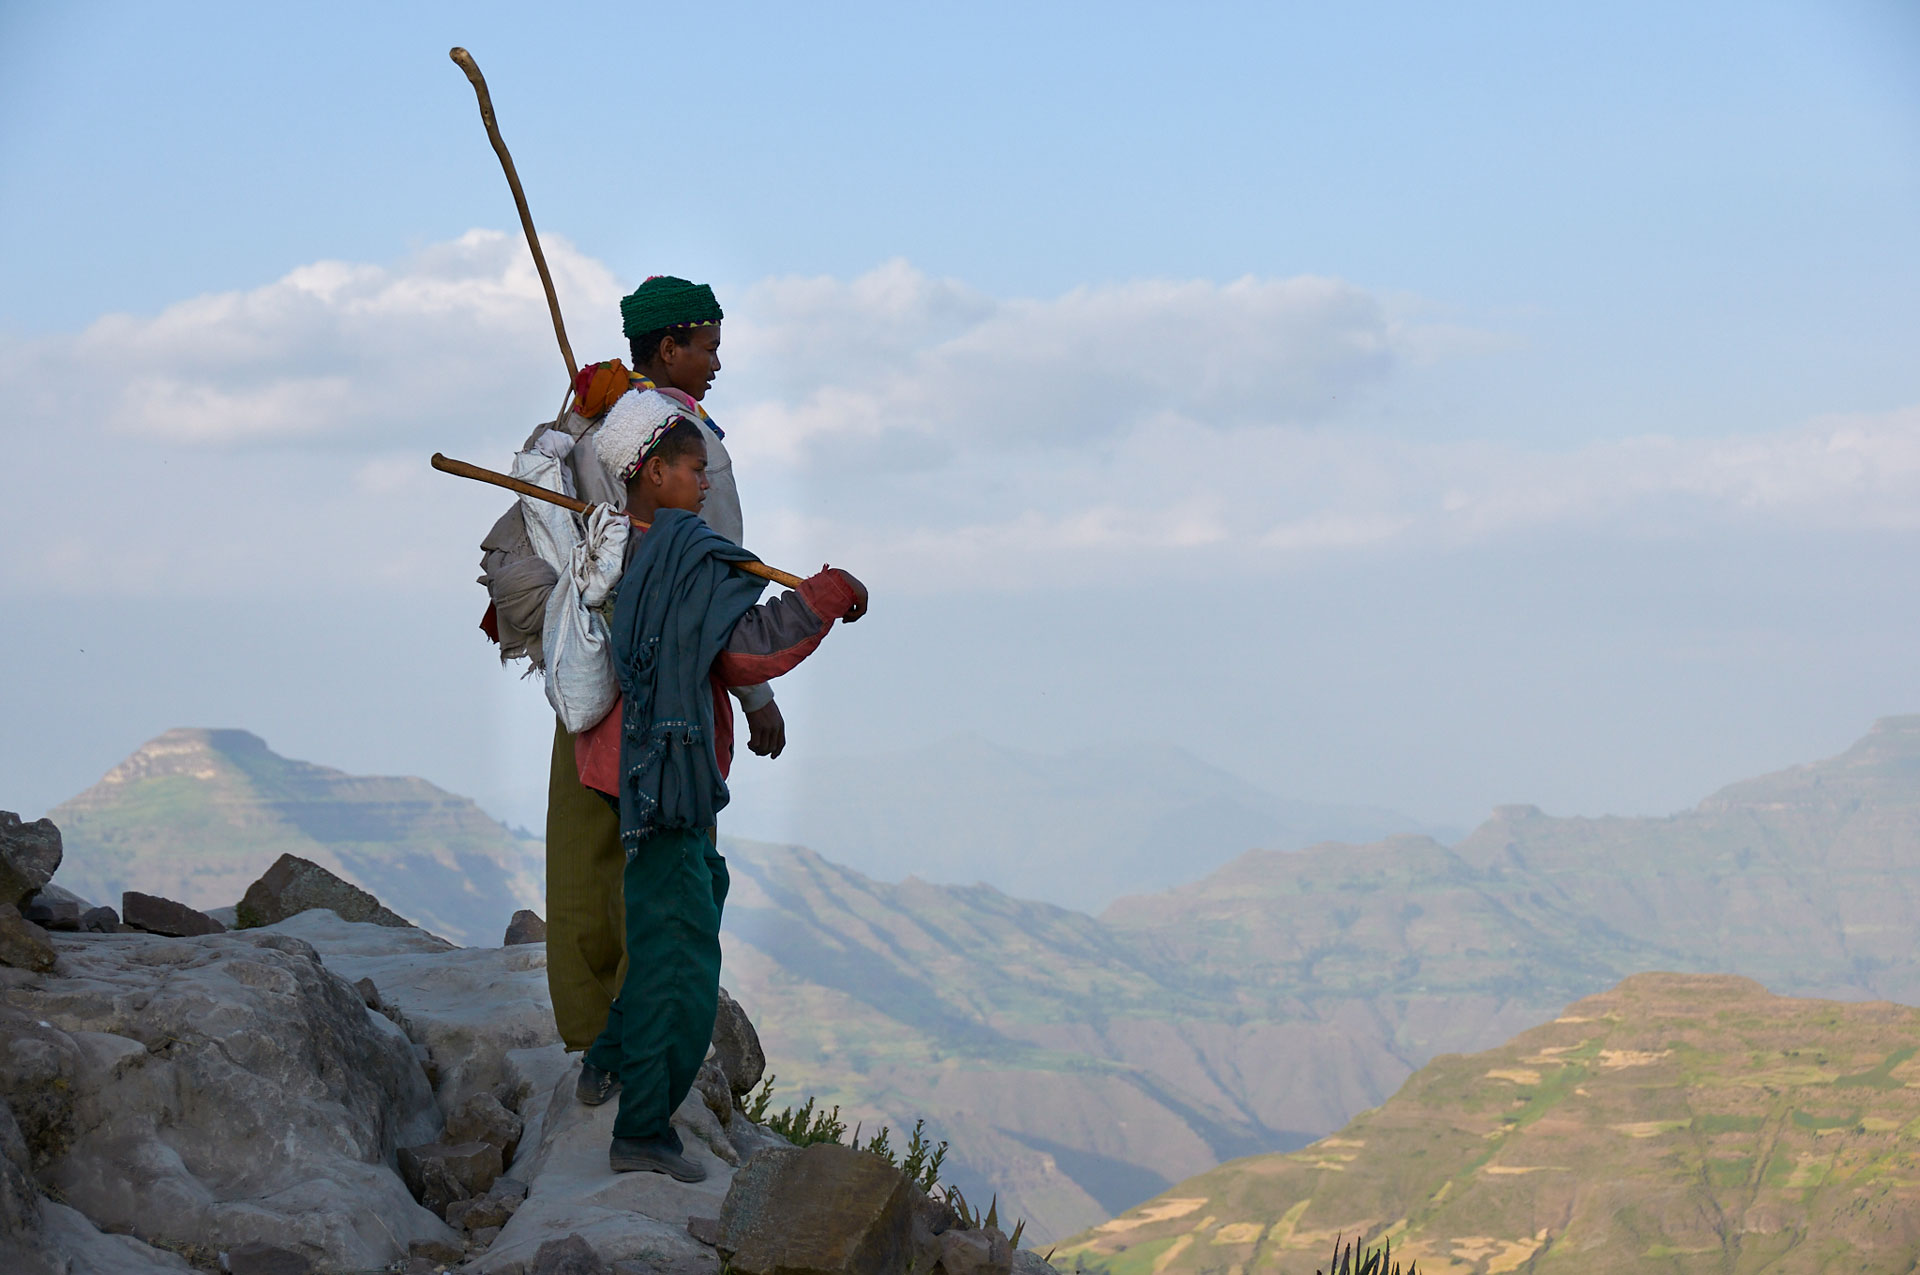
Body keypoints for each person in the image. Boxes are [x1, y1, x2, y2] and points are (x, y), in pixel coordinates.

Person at [480, 276, 783, 1054]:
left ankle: (587, 1032)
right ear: (670, 346)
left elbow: (543, 508)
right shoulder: (687, 444)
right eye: (708, 346)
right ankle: (642, 1037)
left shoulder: (592, 419)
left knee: (582, 849)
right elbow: (722, 582)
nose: (717, 362)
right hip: (663, 683)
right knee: (656, 856)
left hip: (581, 659)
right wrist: (758, 699)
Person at [569, 395, 866, 1181]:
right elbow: (745, 650)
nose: (705, 483)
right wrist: (825, 598)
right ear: (653, 473)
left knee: (689, 897)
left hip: (621, 763)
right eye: (694, 469)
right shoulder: (680, 556)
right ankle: (641, 1131)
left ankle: (606, 1056)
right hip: (666, 776)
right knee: (683, 957)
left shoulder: (619, 544)